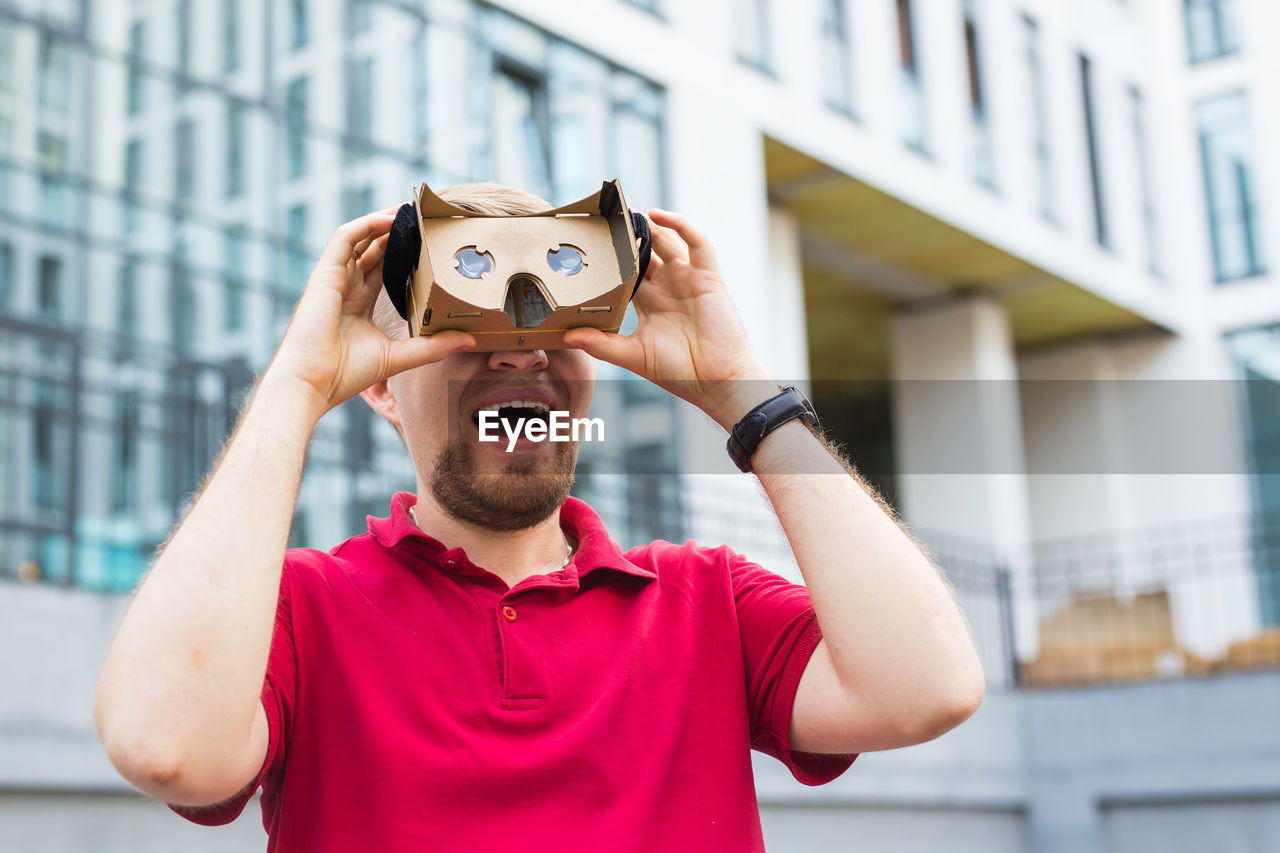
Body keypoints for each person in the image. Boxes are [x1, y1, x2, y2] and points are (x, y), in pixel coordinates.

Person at [94, 183, 984, 851]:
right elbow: (169, 743)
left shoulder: (705, 600)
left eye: (556, 326)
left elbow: (926, 686)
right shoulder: (301, 610)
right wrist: (292, 388)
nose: (517, 355)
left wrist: (740, 391)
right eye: (465, 331)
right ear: (382, 391)